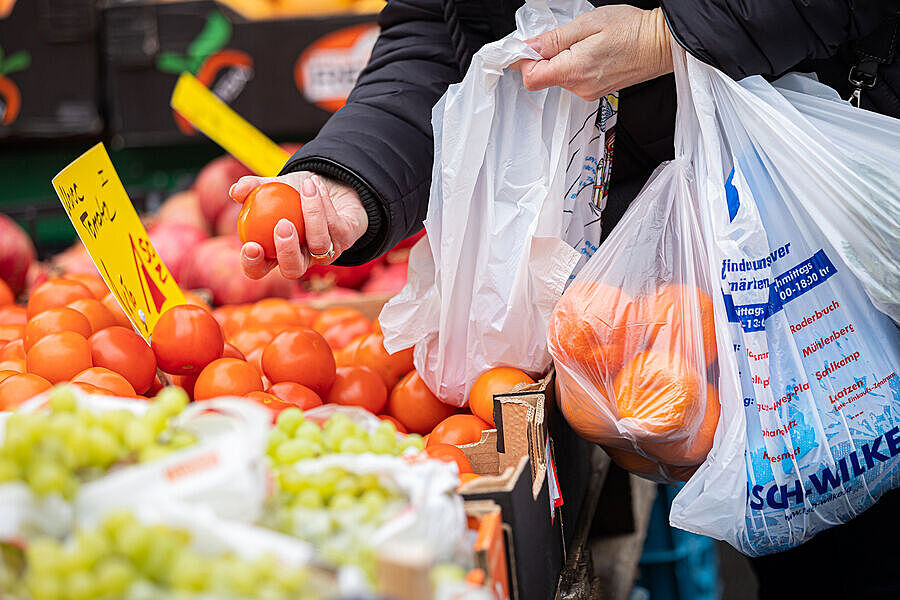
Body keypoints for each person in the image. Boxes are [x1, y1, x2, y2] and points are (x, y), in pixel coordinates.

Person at [230, 1, 900, 597]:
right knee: (811, 514)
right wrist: (346, 180)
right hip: (700, 277)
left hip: (836, 188)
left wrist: (672, 33)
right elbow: (440, 32)